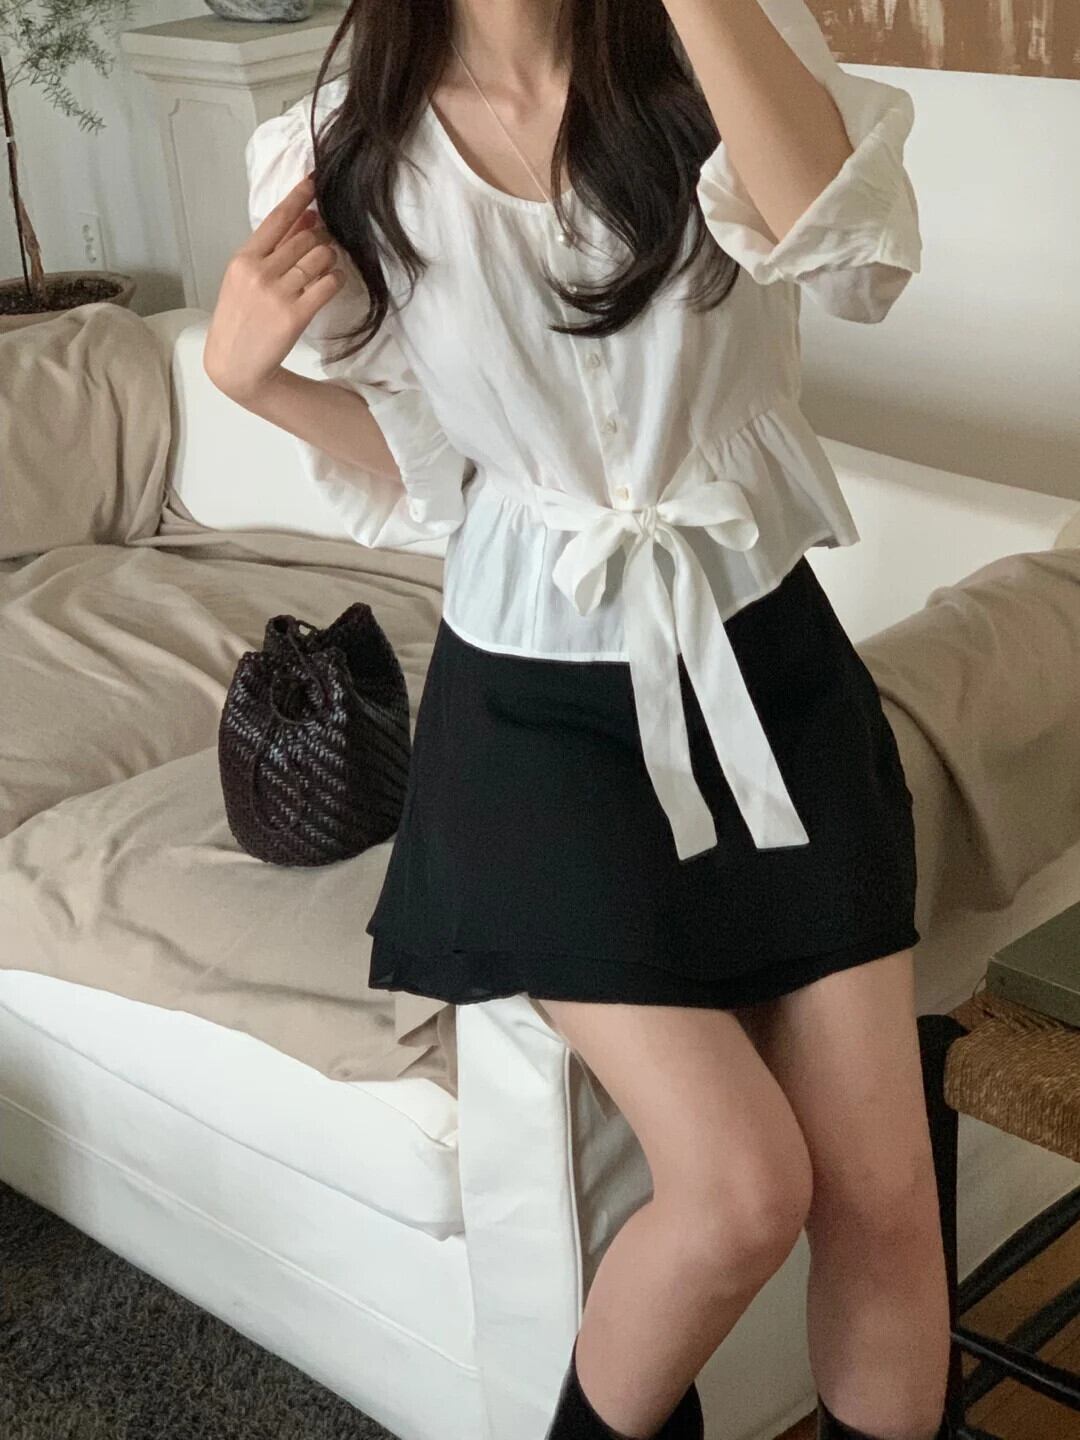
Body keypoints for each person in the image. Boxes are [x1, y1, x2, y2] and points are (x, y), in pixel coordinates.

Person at [205, 2, 953, 1438]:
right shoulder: (347, 147)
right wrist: (254, 383)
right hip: (538, 720)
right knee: (741, 1191)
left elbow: (855, 256)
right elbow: (450, 482)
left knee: (882, 1193)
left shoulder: (712, 52)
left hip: (770, 672)